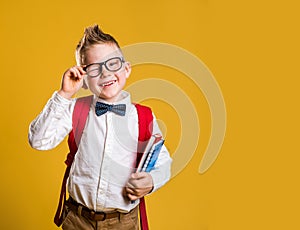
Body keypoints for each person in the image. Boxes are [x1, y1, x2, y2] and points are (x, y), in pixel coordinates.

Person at [28, 24, 172, 230]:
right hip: (78, 219)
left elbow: (163, 162)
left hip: (123, 221)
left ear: (127, 68)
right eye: (94, 69)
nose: (106, 73)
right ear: (83, 79)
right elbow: (38, 140)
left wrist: (151, 181)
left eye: (112, 63)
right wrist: (64, 94)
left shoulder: (142, 117)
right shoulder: (75, 109)